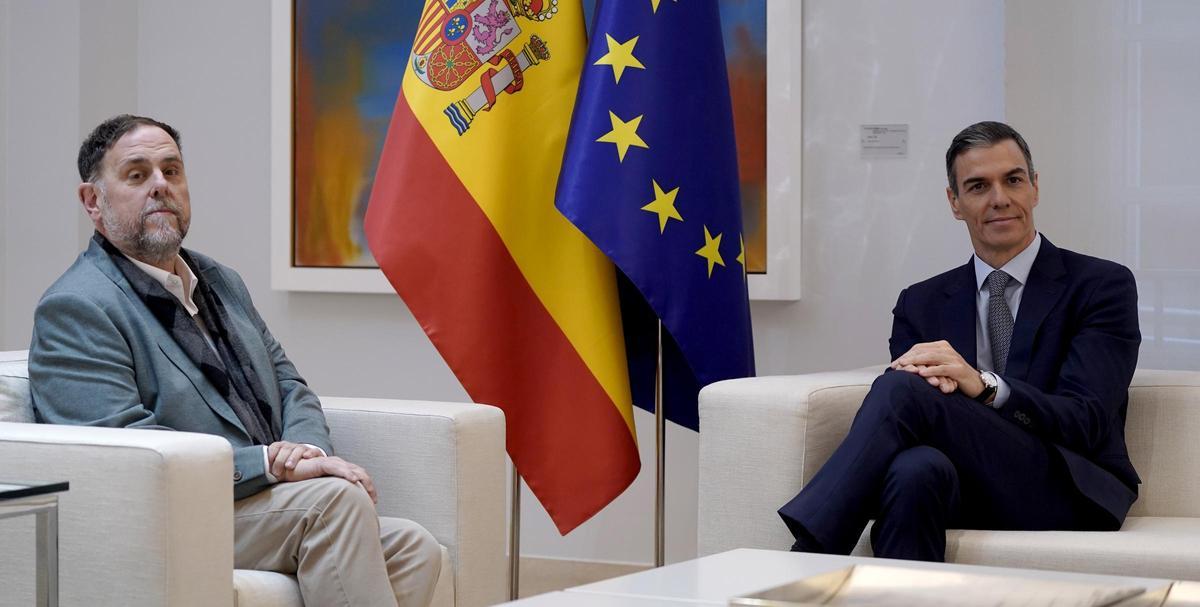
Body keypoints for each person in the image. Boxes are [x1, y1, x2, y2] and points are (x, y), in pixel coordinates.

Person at [29, 114, 441, 607]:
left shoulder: (220, 281)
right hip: (169, 515)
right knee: (334, 503)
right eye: (137, 175)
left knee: (414, 548)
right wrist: (268, 464)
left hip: (253, 500)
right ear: (92, 202)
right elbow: (123, 454)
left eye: (171, 171)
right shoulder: (77, 306)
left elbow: (289, 384)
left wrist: (306, 451)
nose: (160, 186)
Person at [778, 121, 1141, 561]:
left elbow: (1086, 419)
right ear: (954, 202)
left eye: (1013, 180)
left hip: (1066, 484)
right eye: (978, 186)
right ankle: (893, 590)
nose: (999, 198)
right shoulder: (920, 303)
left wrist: (985, 386)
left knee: (902, 390)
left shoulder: (1100, 285)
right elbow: (923, 423)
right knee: (914, 469)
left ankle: (809, 553)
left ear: (1035, 187)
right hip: (966, 481)